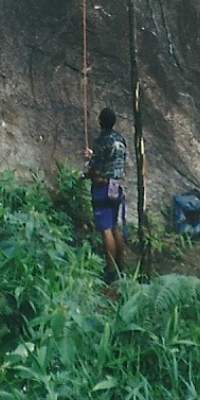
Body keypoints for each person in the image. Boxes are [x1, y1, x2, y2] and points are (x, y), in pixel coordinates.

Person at [84, 106, 127, 282]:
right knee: (114, 226)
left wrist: (87, 171)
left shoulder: (101, 140)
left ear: (101, 121)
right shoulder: (120, 139)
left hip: (102, 187)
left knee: (105, 229)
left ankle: (110, 271)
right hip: (116, 187)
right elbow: (113, 160)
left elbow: (95, 167)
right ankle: (121, 266)